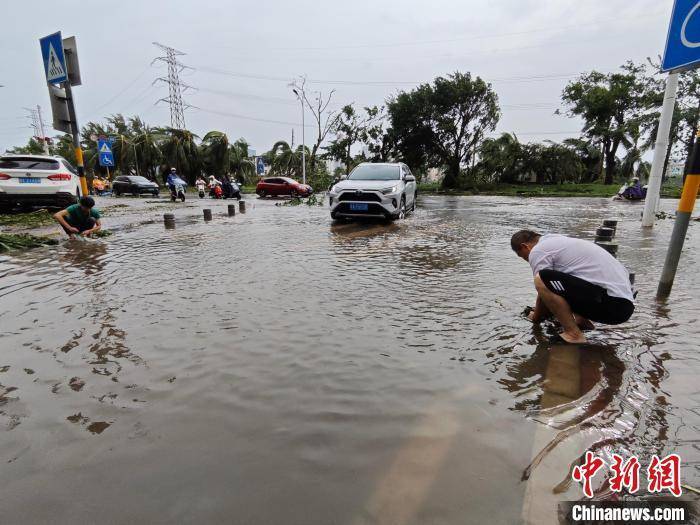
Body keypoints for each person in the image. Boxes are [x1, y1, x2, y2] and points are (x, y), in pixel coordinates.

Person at [511, 230, 635, 343]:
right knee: (562, 280)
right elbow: (568, 285)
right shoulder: (558, 242)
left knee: (541, 279)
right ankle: (582, 322)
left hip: (612, 304)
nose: (527, 260)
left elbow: (543, 289)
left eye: (523, 256)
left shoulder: (539, 250)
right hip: (623, 306)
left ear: (524, 246)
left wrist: (535, 317)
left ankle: (573, 334)